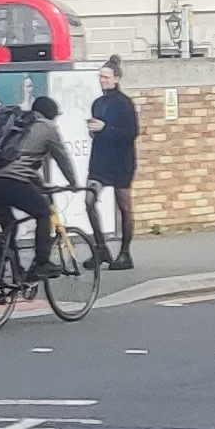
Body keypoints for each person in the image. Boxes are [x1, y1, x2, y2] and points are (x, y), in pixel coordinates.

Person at [0, 91, 78, 290]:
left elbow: (20, 163)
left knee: (8, 224)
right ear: (52, 115)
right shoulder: (47, 127)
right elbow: (62, 158)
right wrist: (73, 183)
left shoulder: (14, 124)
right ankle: (41, 263)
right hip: (12, 183)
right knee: (43, 212)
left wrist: (38, 183)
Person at [80, 56, 140, 272]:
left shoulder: (124, 103)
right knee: (89, 200)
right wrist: (94, 129)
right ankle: (100, 247)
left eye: (106, 77)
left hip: (121, 161)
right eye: (100, 76)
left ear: (116, 79)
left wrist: (105, 128)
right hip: (100, 161)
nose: (102, 80)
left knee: (123, 205)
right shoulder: (98, 103)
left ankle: (125, 252)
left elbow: (131, 133)